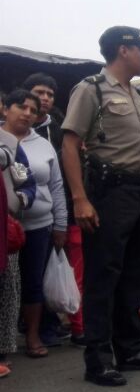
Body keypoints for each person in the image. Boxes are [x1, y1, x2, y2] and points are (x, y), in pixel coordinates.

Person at [61, 26, 140, 386]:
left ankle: (131, 349)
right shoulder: (91, 89)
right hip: (108, 194)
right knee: (103, 277)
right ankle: (98, 359)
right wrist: (80, 198)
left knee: (134, 276)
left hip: (139, 194)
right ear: (124, 50)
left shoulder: (139, 98)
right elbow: (69, 144)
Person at [1, 90, 66, 359]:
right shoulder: (4, 141)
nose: (27, 113)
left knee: (32, 283)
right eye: (21, 107)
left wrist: (60, 222)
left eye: (33, 110)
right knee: (7, 284)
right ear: (5, 109)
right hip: (5, 228)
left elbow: (52, 186)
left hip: (37, 224)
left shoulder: (38, 145)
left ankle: (32, 335)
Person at [0, 125, 36, 376]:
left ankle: (2, 349)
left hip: (5, 222)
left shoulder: (9, 143)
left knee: (7, 288)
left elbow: (25, 179)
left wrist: (20, 199)